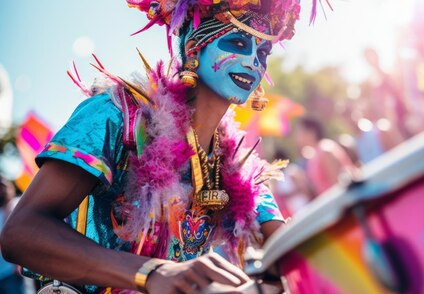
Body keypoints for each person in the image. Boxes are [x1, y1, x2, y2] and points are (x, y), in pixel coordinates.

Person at [0, 0, 306, 292]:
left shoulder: (236, 165)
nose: (253, 61)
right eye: (237, 44)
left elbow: (290, 254)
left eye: (263, 52)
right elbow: (20, 233)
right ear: (194, 47)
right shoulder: (119, 115)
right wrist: (151, 272)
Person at [295, 117, 357, 196]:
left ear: (311, 132)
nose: (297, 136)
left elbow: (338, 183)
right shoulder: (313, 156)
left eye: (300, 132)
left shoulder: (326, 149)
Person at [0, 177, 25, 294]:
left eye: (2, 186)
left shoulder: (13, 206)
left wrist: (17, 264)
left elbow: (17, 238)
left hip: (10, 271)